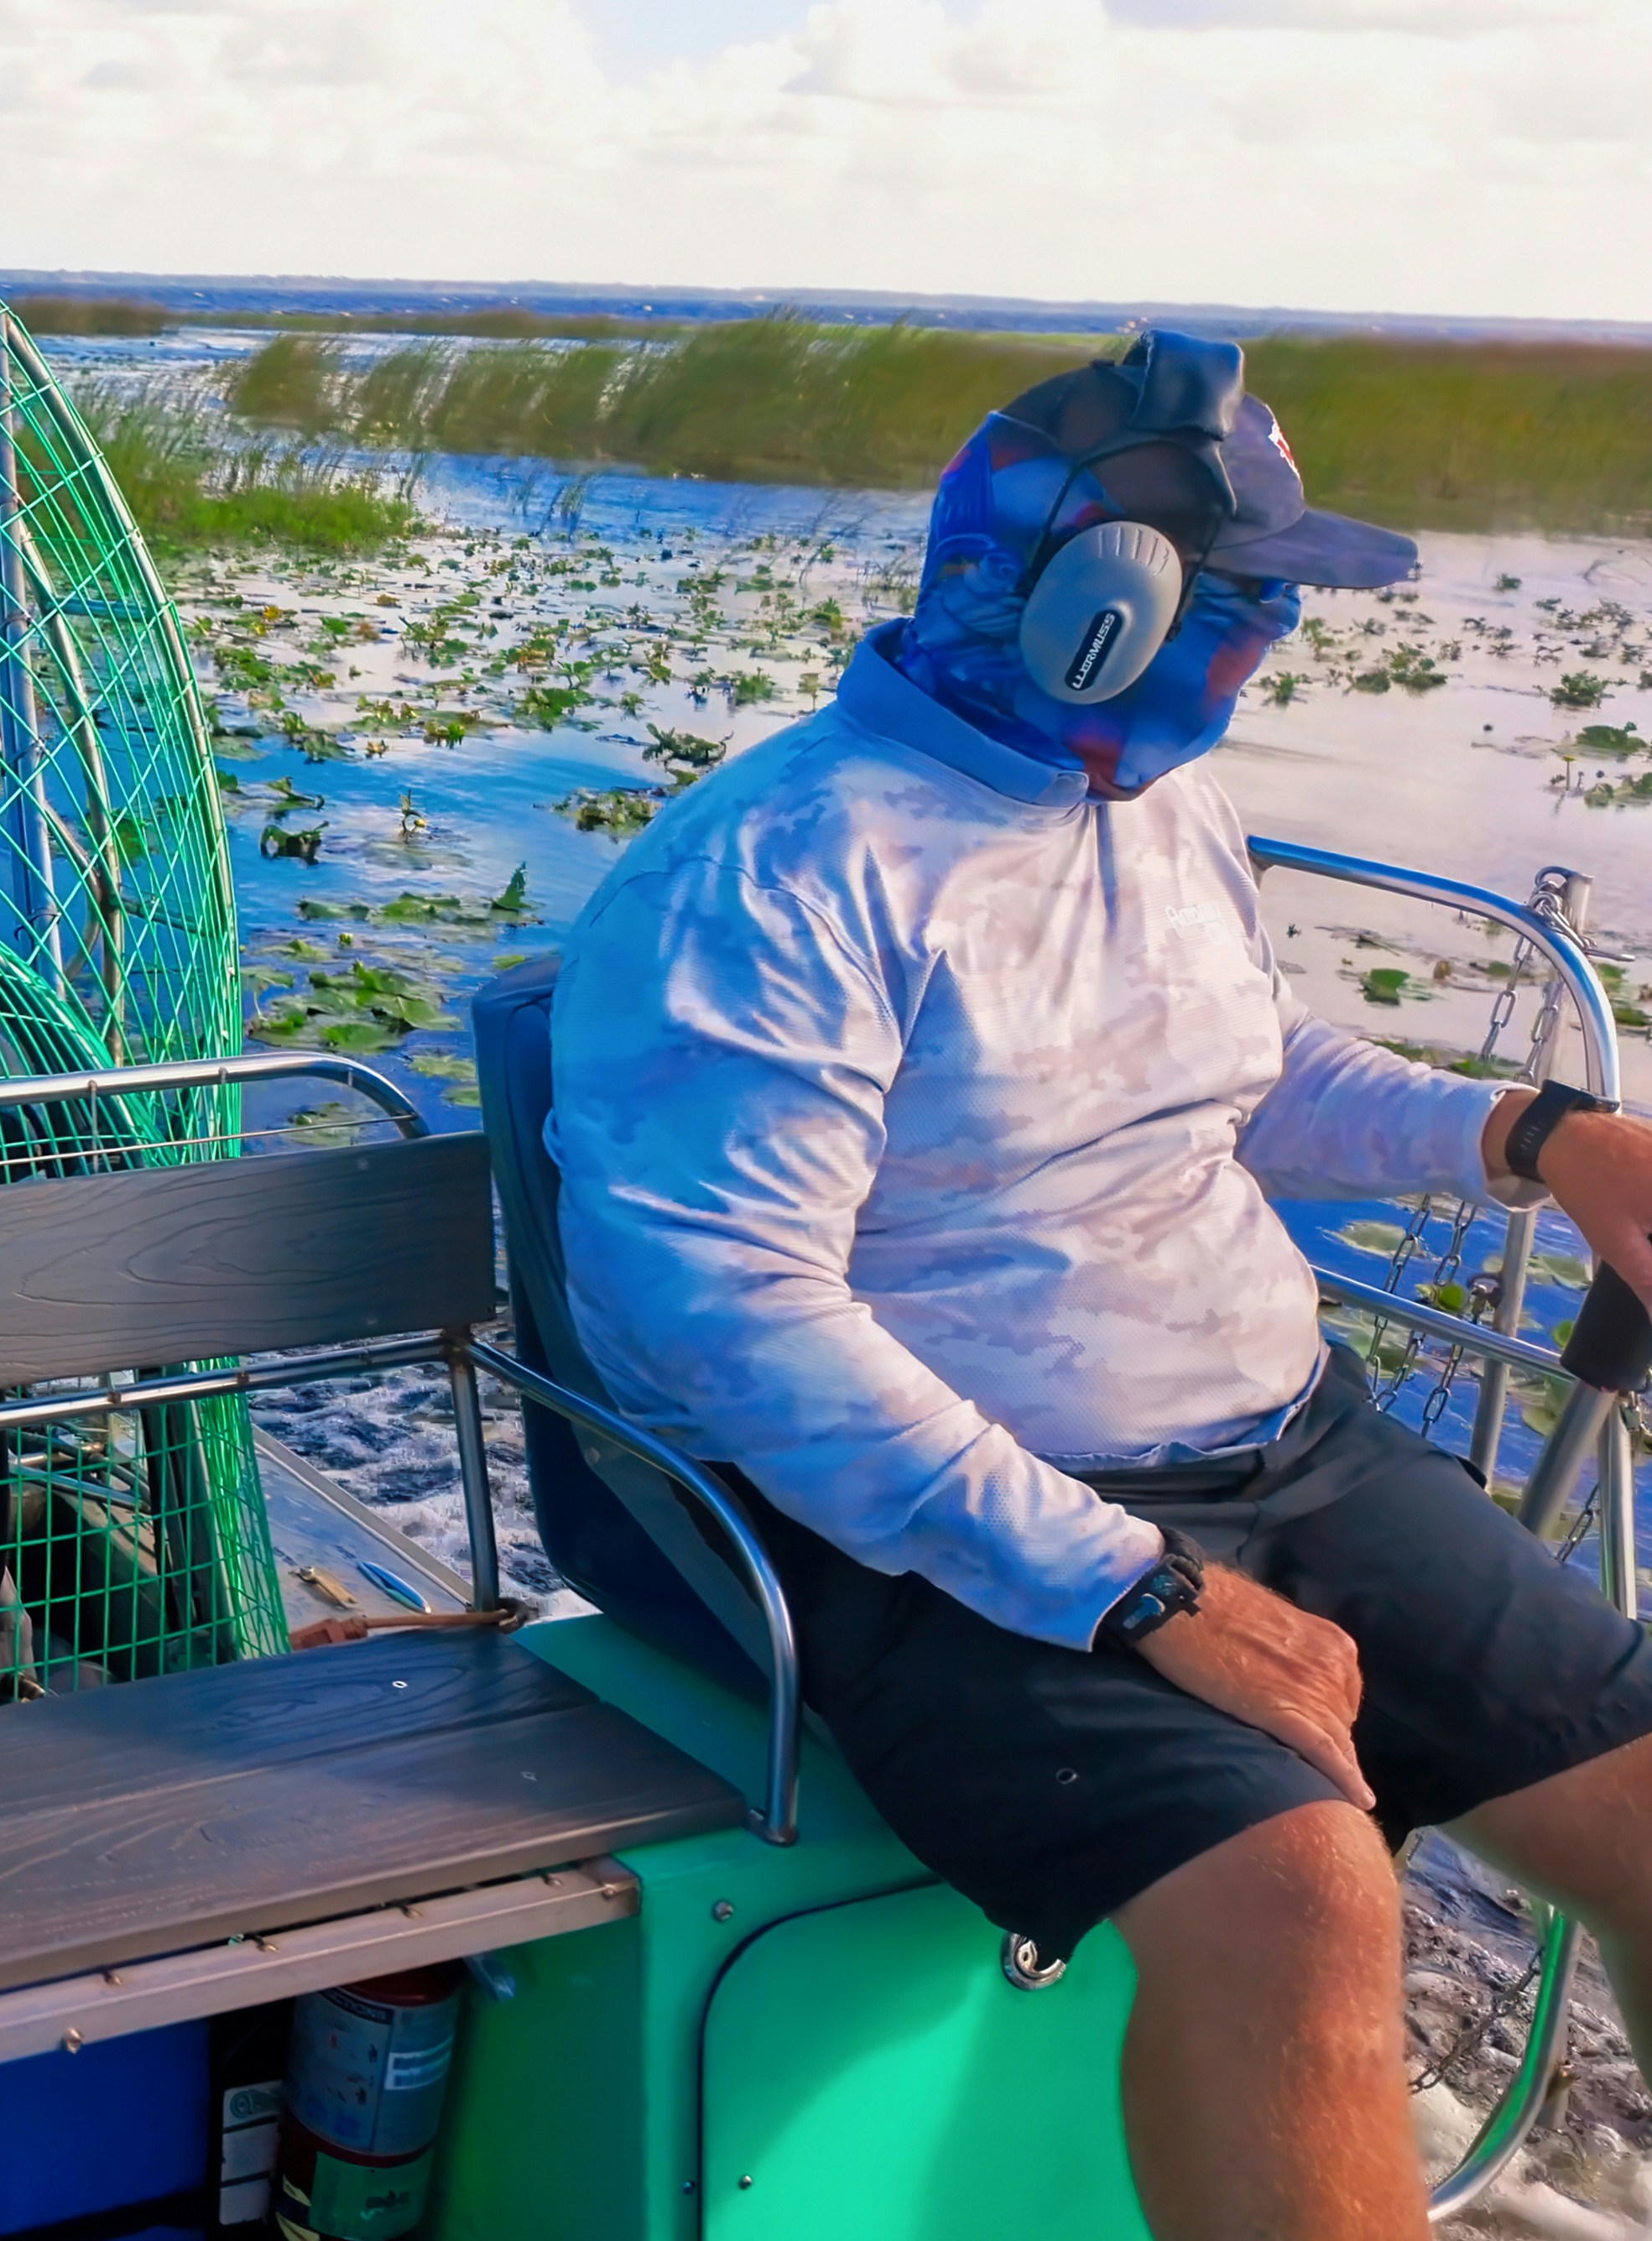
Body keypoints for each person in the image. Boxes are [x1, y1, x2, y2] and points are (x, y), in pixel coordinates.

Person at [546, 331, 1652, 2239]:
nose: (1262, 648)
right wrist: (1125, 1586)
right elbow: (728, 1315)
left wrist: (1541, 1135)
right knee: (1302, 1893)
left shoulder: (1147, 801)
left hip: (1284, 1442)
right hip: (900, 1523)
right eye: (1237, 604)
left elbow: (1246, 1064)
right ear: (1088, 606)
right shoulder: (782, 868)